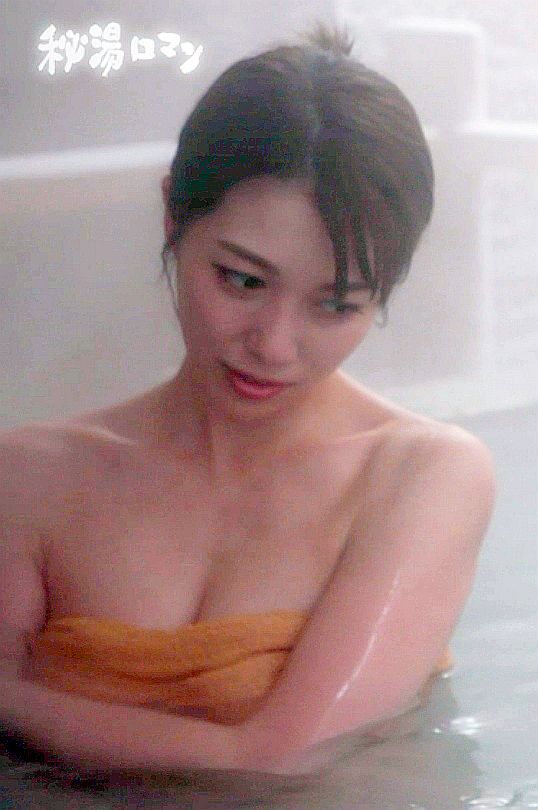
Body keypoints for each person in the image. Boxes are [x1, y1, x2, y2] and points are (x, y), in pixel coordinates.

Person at [0, 23, 495, 776]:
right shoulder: (30, 475)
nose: (274, 345)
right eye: (243, 280)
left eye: (336, 305)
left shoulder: (421, 475)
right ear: (173, 217)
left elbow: (280, 759)